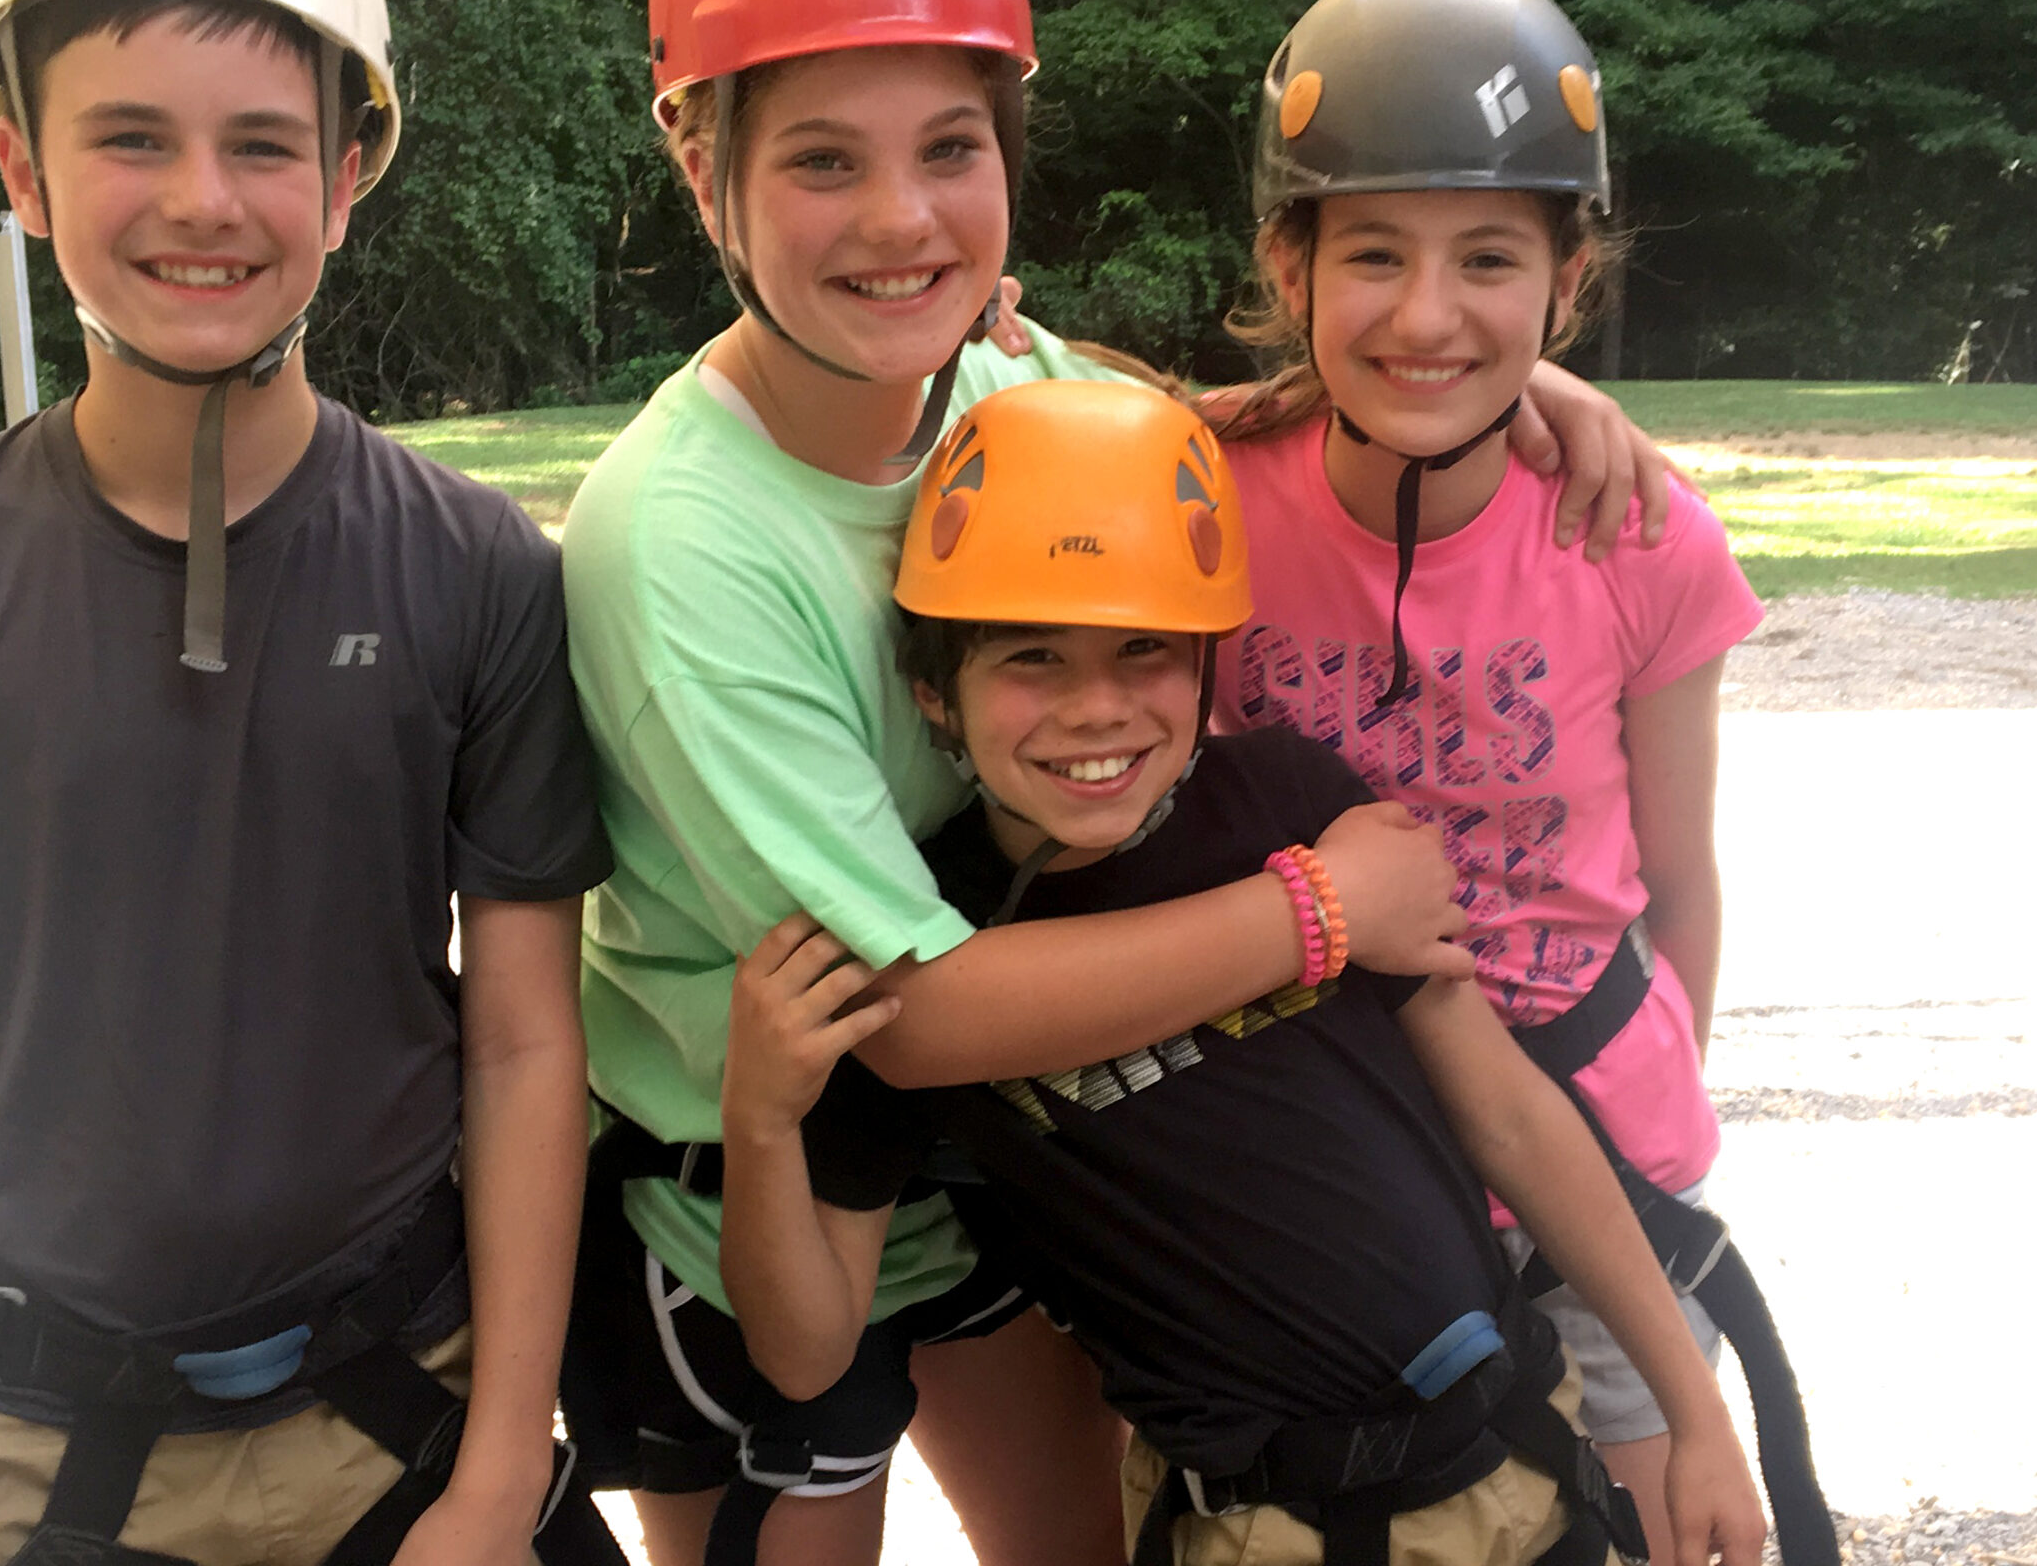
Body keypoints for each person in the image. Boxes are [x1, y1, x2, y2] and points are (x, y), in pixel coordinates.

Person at [557, 0, 1682, 1566]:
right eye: (823, 165)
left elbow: (1185, 440)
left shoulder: (999, 379)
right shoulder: (680, 544)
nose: (902, 217)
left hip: (1016, 1161)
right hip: (767, 1201)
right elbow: (905, 1018)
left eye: (950, 147)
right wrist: (1320, 911)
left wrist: (1495, 406)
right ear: (703, 174)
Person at [0, 0, 619, 1566]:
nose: (202, 200)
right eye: (130, 138)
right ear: (23, 170)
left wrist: (501, 1476)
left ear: (349, 177)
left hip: (394, 1414)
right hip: (17, 1445)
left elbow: (519, 1042)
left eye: (264, 145)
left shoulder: (479, 577)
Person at [717, 375, 1769, 1566]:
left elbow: (1512, 1116)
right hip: (1252, 1529)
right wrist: (758, 1117)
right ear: (933, 697)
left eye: (1144, 651)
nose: (1096, 710)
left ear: (1210, 660)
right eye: (1031, 660)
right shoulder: (924, 945)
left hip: (1517, 1476)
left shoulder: (1292, 802)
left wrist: (1696, 1411)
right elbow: (803, 1352)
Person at [1206, 0, 1832, 1566]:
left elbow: (1681, 879)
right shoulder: (1202, 491)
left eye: (1490, 259)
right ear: (1291, 269)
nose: (1428, 316)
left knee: (1649, 1528)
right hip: (1345, 1164)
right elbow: (1001, 384)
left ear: (1569, 281)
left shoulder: (1636, 533)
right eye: (1373, 257)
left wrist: (1648, 1126)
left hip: (1595, 1162)